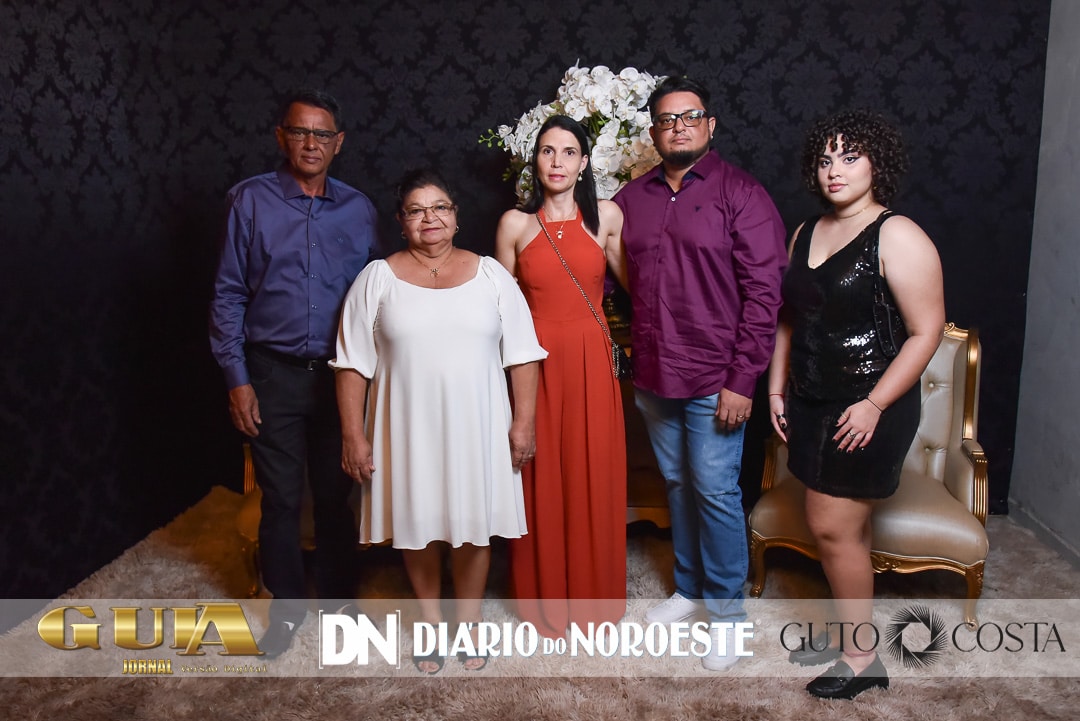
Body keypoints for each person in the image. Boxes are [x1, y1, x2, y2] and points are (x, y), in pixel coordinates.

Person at [333, 168, 546, 674]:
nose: (429, 218)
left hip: (479, 427)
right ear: (401, 222)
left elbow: (523, 355)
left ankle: (469, 624)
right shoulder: (377, 278)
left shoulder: (492, 274)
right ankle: (430, 624)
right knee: (418, 524)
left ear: (456, 216)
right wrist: (352, 435)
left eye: (440, 207)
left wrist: (524, 424)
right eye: (416, 210)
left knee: (474, 528)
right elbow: (352, 363)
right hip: (405, 429)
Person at [768, 109, 944, 699]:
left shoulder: (898, 234)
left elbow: (926, 332)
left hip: (871, 404)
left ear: (876, 164)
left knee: (831, 525)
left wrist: (873, 404)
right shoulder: (805, 231)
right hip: (811, 398)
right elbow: (789, 319)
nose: (834, 170)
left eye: (849, 157)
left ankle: (861, 660)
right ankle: (852, 631)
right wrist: (776, 387)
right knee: (845, 531)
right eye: (825, 160)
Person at [613, 76, 787, 670]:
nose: (679, 127)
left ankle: (729, 618)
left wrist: (743, 380)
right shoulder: (631, 199)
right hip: (654, 372)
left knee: (715, 492)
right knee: (679, 485)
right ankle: (689, 588)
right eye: (667, 119)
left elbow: (765, 295)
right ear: (654, 131)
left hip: (716, 376)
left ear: (710, 124)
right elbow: (602, 265)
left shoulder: (742, 194)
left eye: (690, 116)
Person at [208, 89, 379, 657]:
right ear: (281, 137)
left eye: (322, 134)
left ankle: (340, 604)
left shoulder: (359, 209)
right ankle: (284, 609)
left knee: (335, 494)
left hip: (339, 378)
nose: (311, 143)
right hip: (270, 373)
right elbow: (228, 294)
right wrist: (237, 378)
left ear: (338, 143)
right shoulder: (248, 201)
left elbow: (375, 297)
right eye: (300, 132)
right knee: (281, 499)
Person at [494, 115, 628, 638]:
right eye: (547, 151)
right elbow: (496, 310)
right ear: (535, 160)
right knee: (540, 475)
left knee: (593, 470)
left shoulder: (607, 217)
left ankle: (594, 601)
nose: (557, 161)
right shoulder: (514, 224)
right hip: (535, 364)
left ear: (584, 162)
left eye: (568, 152)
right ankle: (544, 601)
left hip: (592, 360)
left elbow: (640, 285)